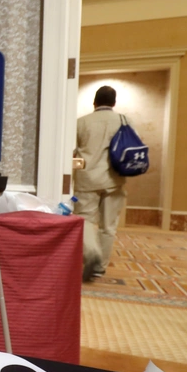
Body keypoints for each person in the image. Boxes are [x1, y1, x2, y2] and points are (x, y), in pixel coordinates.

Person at [75, 85, 126, 280]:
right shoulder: (124, 121)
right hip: (115, 179)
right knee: (108, 226)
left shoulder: (82, 122)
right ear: (114, 103)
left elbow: (71, 150)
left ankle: (91, 253)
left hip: (87, 178)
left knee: (85, 219)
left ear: (94, 101)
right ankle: (100, 266)